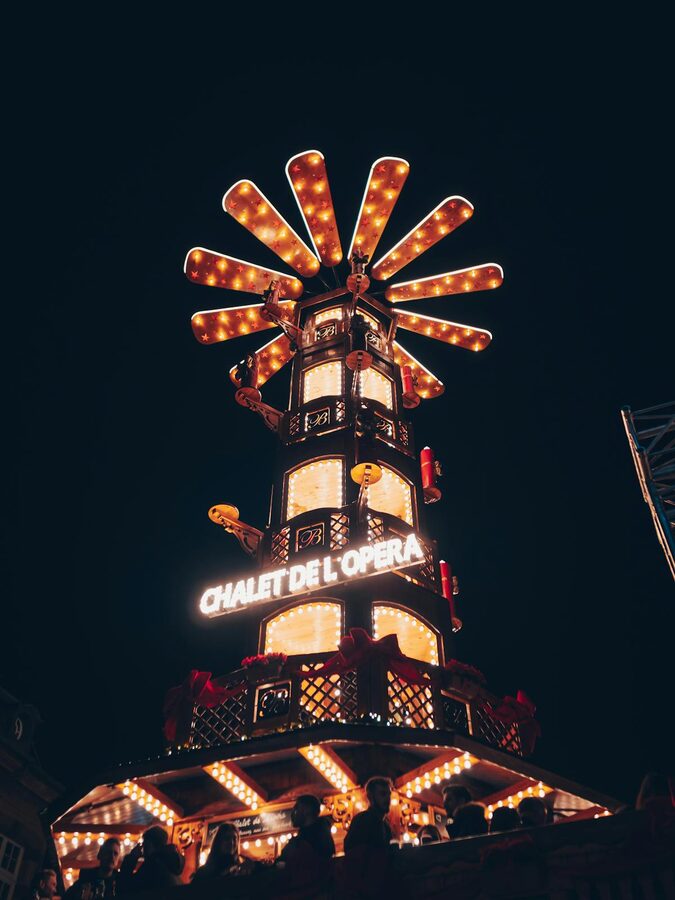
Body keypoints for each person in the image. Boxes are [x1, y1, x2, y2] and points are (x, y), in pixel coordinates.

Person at [276, 795, 335, 892]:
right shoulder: (323, 835)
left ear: (306, 810)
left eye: (296, 808)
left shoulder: (302, 841)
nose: (292, 813)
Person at [118, 826, 184, 893]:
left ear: (149, 844)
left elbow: (125, 890)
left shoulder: (153, 865)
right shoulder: (171, 865)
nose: (143, 850)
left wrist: (131, 858)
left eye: (144, 845)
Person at [344, 777, 393, 853]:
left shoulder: (386, 826)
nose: (388, 798)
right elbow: (351, 851)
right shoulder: (361, 821)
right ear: (371, 797)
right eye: (382, 794)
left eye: (389, 794)